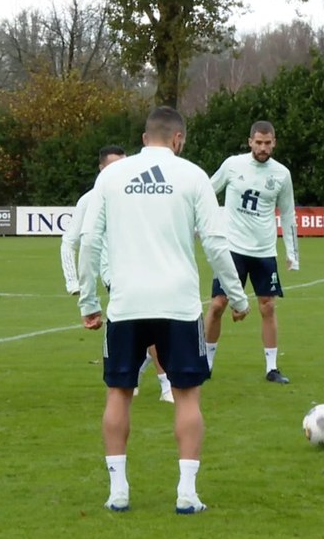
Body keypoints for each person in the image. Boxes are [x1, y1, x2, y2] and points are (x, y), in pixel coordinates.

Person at [77, 106, 250, 514]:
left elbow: (89, 241)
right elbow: (216, 243)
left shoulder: (111, 176)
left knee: (119, 393)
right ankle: (186, 493)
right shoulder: (193, 176)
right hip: (177, 302)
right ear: (179, 139)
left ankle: (118, 491)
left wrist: (88, 300)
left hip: (127, 301)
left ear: (143, 139)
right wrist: (238, 298)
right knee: (187, 395)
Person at [60, 145, 173, 403]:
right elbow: (70, 242)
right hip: (117, 274)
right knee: (151, 321)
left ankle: (134, 374)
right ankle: (166, 385)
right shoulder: (89, 201)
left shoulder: (136, 196)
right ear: (101, 170)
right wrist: (73, 282)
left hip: (145, 268)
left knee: (143, 327)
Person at [204, 121, 299, 384]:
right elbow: (207, 192)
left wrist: (292, 252)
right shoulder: (233, 165)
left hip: (264, 251)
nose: (263, 147)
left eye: (268, 143)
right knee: (218, 304)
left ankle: (272, 368)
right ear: (250, 142)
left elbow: (288, 214)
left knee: (267, 307)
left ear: (274, 143)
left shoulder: (281, 174)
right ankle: (205, 363)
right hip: (232, 248)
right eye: (258, 142)